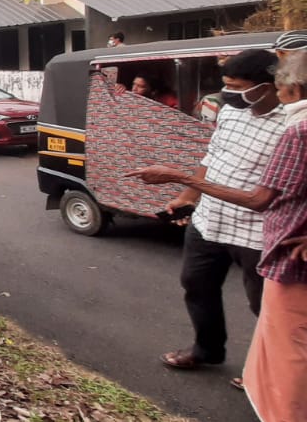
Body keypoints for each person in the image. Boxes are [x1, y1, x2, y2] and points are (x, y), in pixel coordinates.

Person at [130, 51, 307, 421]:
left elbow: (267, 198)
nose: (229, 96)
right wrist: (187, 198)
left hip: (260, 232)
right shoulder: (230, 112)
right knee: (196, 284)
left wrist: (181, 179)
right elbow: (214, 156)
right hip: (211, 220)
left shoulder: (293, 124)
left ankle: (264, 373)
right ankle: (207, 350)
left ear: (271, 86)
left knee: (267, 310)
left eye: (238, 88)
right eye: (225, 87)